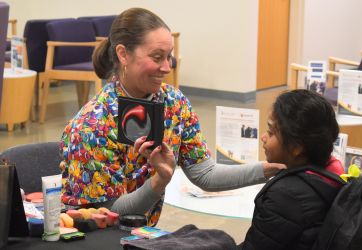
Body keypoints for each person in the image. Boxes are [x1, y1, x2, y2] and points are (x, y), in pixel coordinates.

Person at [59, 8, 285, 226]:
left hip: (142, 234)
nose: (167, 67)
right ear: (123, 54)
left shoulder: (173, 103)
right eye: (157, 57)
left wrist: (268, 169)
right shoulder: (91, 126)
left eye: (169, 57)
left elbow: (204, 173)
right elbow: (106, 216)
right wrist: (158, 182)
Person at [240, 90, 345, 249]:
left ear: (296, 147)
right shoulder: (332, 174)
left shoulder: (285, 196)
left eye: (271, 132)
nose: (263, 137)